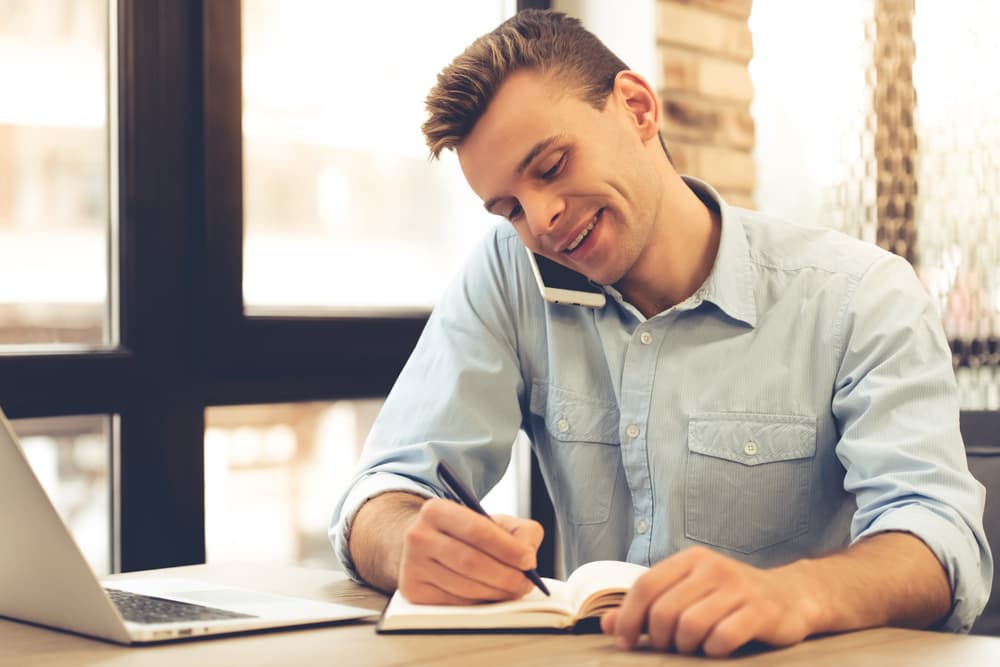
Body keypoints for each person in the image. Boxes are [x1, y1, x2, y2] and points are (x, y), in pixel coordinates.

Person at [331, 9, 992, 657]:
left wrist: (792, 595)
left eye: (553, 165)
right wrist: (408, 541)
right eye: (509, 209)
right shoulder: (511, 276)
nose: (542, 221)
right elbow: (382, 489)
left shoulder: (860, 296)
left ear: (639, 109)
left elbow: (938, 537)